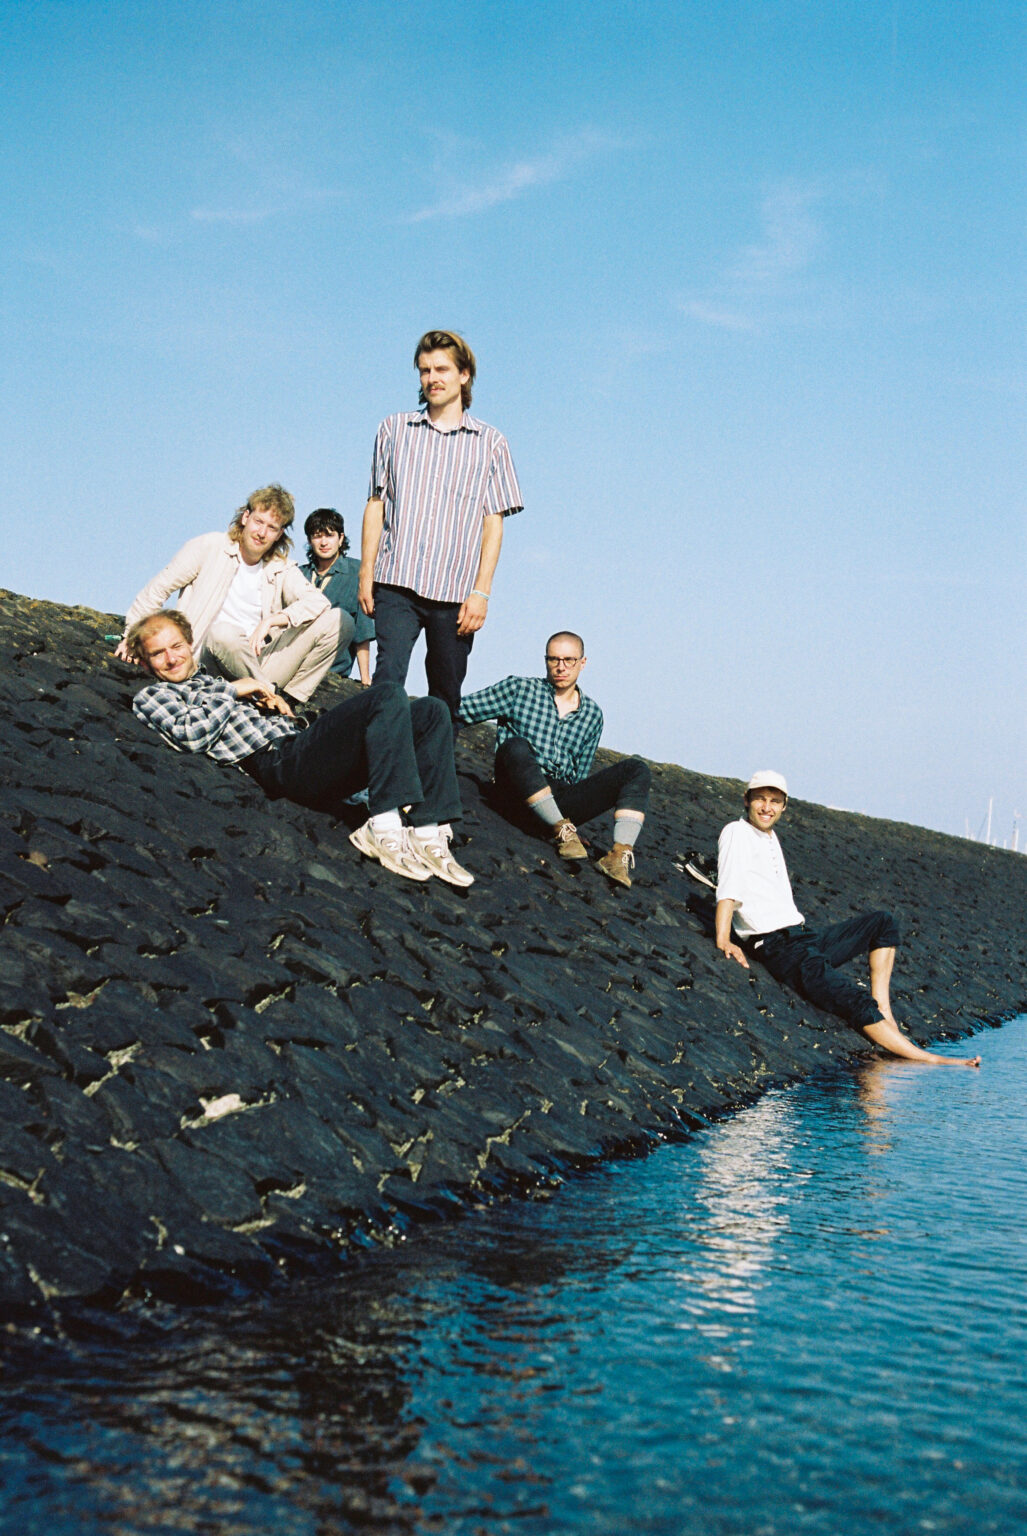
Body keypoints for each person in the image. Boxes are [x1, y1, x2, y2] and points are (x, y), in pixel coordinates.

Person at [125, 610, 474, 886]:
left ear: (189, 644)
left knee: (432, 710)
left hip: (299, 748)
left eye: (176, 646)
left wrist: (275, 708)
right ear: (144, 663)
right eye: (158, 653)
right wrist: (235, 690)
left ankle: (427, 831)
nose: (172, 658)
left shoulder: (212, 681)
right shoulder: (154, 696)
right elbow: (190, 734)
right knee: (385, 695)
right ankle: (382, 827)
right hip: (279, 763)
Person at [715, 771, 980, 1065]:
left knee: (883, 922)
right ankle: (930, 1059)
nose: (767, 807)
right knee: (854, 998)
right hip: (780, 948)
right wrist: (724, 938)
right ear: (746, 800)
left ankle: (884, 1011)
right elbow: (728, 889)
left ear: (784, 806)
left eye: (775, 801)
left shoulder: (769, 835)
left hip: (803, 937)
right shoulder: (736, 832)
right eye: (761, 799)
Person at [358, 329, 523, 722]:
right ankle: (374, 774)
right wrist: (367, 572)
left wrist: (482, 593)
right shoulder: (393, 430)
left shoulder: (491, 442)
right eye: (425, 370)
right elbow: (376, 504)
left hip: (456, 593)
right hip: (396, 580)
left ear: (464, 375)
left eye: (442, 369)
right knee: (387, 681)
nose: (433, 378)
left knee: (445, 693)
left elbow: (493, 523)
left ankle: (435, 780)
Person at [116, 485, 346, 708]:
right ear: (246, 517)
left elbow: (318, 602)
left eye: (272, 528)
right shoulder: (210, 546)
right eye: (258, 522)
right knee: (224, 633)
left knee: (340, 620)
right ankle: (267, 696)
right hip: (206, 661)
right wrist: (131, 635)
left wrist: (271, 621)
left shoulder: (280, 568)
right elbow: (158, 589)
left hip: (256, 663)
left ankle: (289, 700)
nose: (262, 533)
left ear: (279, 534)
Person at [459, 631, 651, 888]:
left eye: (569, 660)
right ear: (545, 661)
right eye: (554, 659)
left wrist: (573, 817)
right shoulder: (519, 689)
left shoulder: (592, 714)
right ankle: (560, 828)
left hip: (558, 800)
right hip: (514, 790)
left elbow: (579, 776)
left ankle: (618, 855)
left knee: (636, 769)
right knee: (515, 746)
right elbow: (461, 710)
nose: (561, 667)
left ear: (582, 663)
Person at [299, 508, 375, 685]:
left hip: (332, 672)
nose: (324, 542)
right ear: (310, 541)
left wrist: (365, 677)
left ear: (340, 538)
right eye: (317, 536)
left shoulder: (357, 572)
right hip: (296, 667)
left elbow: (363, 632)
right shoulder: (298, 574)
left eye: (329, 535)